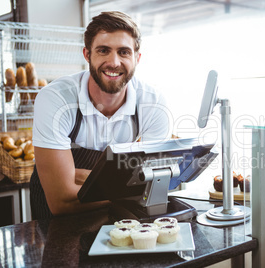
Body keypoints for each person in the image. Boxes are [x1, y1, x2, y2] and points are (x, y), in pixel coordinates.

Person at [30, 11, 171, 220]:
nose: (114, 62)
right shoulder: (56, 99)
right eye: (104, 50)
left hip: (119, 221)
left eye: (124, 52)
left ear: (136, 58)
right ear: (87, 55)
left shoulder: (153, 104)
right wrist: (127, 188)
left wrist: (77, 177)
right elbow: (62, 200)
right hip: (56, 223)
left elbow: (155, 186)